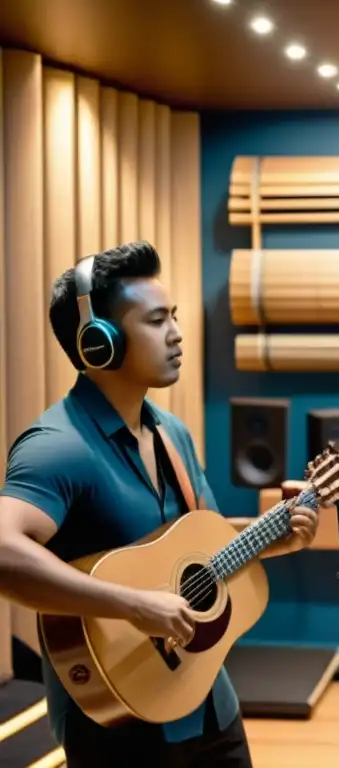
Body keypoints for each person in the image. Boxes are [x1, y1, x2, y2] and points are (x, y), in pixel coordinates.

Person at [0, 241, 320, 767]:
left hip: (208, 701)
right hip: (119, 720)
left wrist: (270, 537)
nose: (176, 334)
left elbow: (197, 544)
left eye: (173, 316)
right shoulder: (57, 446)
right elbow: (6, 554)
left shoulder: (172, 433)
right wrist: (133, 604)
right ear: (98, 343)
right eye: (155, 320)